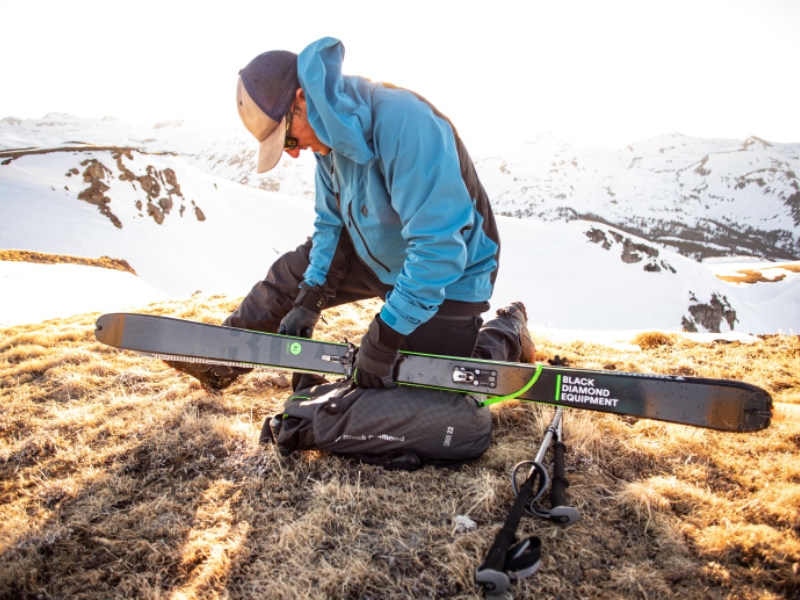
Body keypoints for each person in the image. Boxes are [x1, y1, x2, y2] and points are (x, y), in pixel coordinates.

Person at [169, 37, 533, 392]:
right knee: (287, 278)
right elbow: (331, 226)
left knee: (427, 379)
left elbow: (438, 247)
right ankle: (220, 364)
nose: (293, 154)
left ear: (301, 99)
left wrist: (387, 333)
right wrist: (311, 297)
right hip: (379, 256)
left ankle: (508, 329)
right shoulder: (326, 144)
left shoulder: (405, 123)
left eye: (288, 140)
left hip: (450, 276)